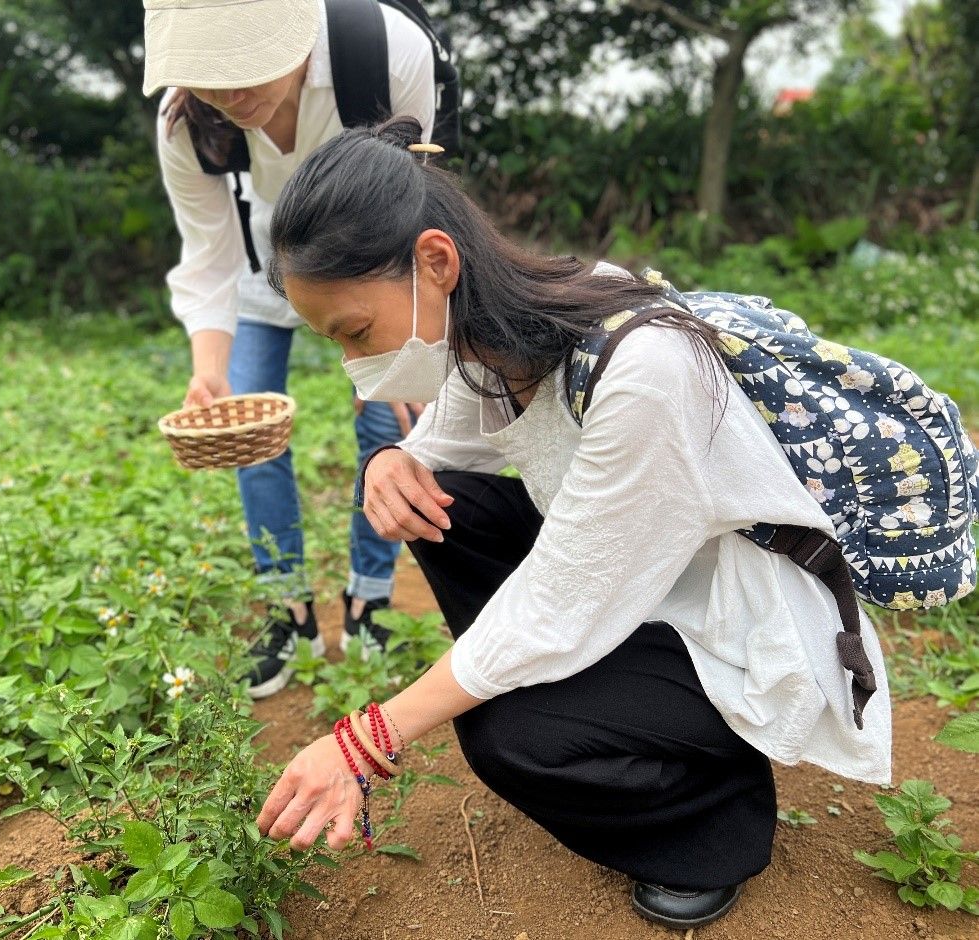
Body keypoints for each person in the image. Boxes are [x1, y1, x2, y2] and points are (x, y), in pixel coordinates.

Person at [254, 117, 893, 929]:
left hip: (739, 631)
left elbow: (558, 603)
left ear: (435, 262)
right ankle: (599, 704)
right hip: (651, 592)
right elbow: (440, 450)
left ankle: (714, 817)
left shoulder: (642, 372)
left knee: (510, 735)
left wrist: (365, 738)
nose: (355, 365)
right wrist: (388, 462)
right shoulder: (493, 335)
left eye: (354, 332)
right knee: (442, 498)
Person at [143, 0, 440, 698]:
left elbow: (415, 204)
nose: (227, 92)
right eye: (206, 70)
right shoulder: (188, 121)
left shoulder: (385, 52)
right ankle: (290, 614)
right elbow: (208, 257)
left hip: (369, 271)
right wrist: (207, 371)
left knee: (386, 425)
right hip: (258, 274)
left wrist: (409, 355)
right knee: (252, 438)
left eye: (242, 61)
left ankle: (370, 602)